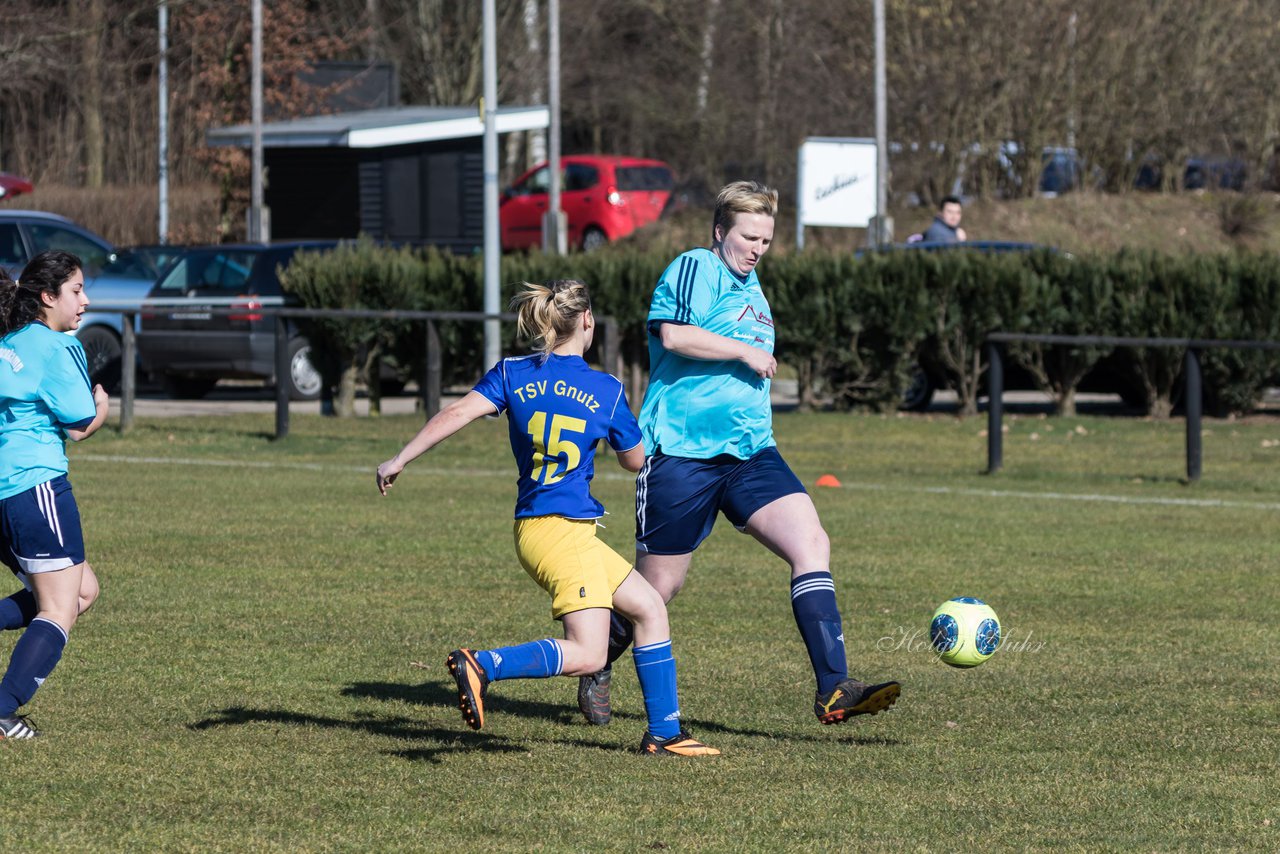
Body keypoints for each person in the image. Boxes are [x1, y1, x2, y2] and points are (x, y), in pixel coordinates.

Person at [577, 181, 901, 728]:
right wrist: (746, 352)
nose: (757, 249)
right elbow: (674, 336)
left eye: (767, 240)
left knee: (811, 544)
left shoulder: (754, 291)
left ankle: (834, 687)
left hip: (751, 452)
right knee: (658, 589)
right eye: (749, 237)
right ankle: (595, 660)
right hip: (682, 455)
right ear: (720, 230)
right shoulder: (694, 267)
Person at [376, 280, 718, 757]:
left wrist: (400, 458)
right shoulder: (606, 388)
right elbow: (635, 461)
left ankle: (665, 732)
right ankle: (483, 665)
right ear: (587, 322)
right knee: (589, 654)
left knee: (649, 607)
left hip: (544, 530)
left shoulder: (513, 373)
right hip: (562, 534)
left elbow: (456, 412)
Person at [0, 250, 109, 739]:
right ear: (48, 297)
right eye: (77, 290)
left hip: (6, 491)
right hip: (34, 487)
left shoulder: (9, 342)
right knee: (59, 607)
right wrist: (102, 404)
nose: (85, 300)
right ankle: (2, 712)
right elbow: (81, 424)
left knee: (84, 590)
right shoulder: (57, 346)